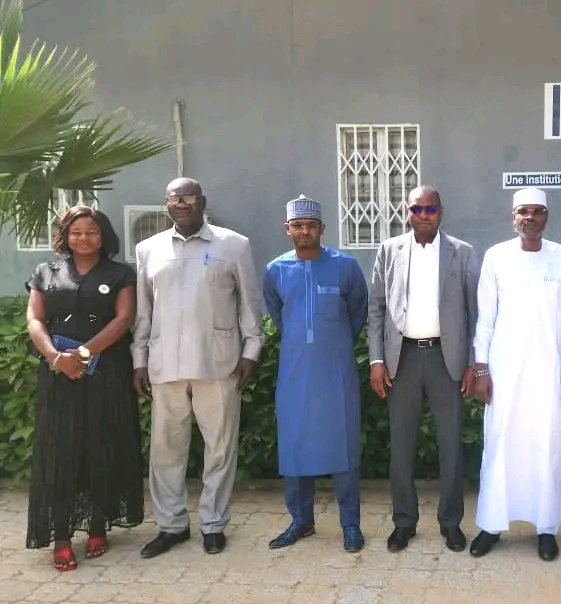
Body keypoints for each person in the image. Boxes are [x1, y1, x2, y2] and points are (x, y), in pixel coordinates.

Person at [132, 177, 264, 558]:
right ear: (166, 205)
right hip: (164, 365)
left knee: (220, 447)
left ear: (203, 202)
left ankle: (213, 523)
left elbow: (250, 304)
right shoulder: (148, 249)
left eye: (189, 197)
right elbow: (143, 311)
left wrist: (251, 352)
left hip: (219, 362)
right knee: (165, 450)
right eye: (175, 198)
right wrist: (139, 360)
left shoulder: (234, 245)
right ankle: (171, 525)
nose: (182, 204)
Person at [24, 206, 145, 571]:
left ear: (103, 236)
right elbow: (35, 318)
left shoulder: (121, 273)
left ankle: (97, 526)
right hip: (59, 374)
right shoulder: (46, 272)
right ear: (65, 236)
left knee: (101, 444)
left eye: (91, 232)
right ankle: (61, 536)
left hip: (106, 371)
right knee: (60, 449)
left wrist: (83, 353)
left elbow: (124, 318)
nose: (84, 239)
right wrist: (56, 357)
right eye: (76, 232)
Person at [368, 185, 480, 553]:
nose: (423, 216)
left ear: (440, 212)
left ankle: (451, 523)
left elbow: (475, 312)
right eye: (416, 209)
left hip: (446, 361)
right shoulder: (389, 250)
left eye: (430, 209)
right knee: (401, 446)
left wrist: (472, 363)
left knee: (451, 445)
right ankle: (404, 522)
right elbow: (376, 309)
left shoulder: (462, 252)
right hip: (402, 359)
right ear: (408, 212)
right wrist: (376, 360)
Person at [470, 186, 561, 562]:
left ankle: (546, 528)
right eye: (523, 212)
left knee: (547, 444)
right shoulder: (496, 256)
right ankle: (491, 524)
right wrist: (481, 367)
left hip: (548, 369)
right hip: (504, 369)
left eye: (537, 211)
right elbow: (485, 317)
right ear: (513, 217)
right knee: (500, 442)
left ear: (546, 216)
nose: (530, 217)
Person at [263, 196, 369, 552]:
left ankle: (350, 524)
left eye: (311, 225)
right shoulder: (275, 270)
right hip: (294, 374)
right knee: (295, 446)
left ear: (322, 228)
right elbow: (278, 316)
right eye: (298, 226)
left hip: (336, 373)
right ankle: (301, 521)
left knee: (344, 448)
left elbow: (357, 313)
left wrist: (332, 342)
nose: (304, 231)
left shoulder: (345, 266)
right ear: (287, 229)